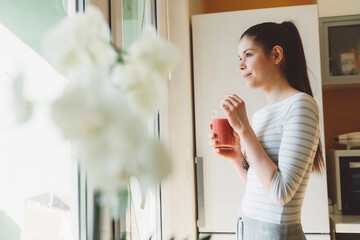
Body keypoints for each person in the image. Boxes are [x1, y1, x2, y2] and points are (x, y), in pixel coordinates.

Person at [209, 21, 325, 240]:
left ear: (276, 55)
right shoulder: (260, 115)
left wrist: (244, 130)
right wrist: (236, 158)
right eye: (239, 58)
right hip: (247, 227)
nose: (241, 65)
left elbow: (281, 193)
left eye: (248, 55)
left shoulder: (301, 105)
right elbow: (263, 188)